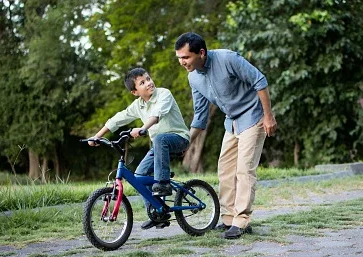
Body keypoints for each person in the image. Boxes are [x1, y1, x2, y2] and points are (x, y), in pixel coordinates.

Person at [175, 32, 277, 239]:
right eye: (179, 58)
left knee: (244, 169)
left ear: (201, 53)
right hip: (231, 123)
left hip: (253, 116)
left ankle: (241, 221)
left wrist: (269, 117)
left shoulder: (227, 59)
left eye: (185, 57)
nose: (181, 62)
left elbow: (260, 81)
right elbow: (200, 116)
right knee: (225, 170)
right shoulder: (193, 77)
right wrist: (186, 142)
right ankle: (229, 219)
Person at [88, 67, 190, 229]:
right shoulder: (138, 105)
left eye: (148, 78)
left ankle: (163, 183)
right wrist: (98, 136)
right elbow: (118, 118)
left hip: (178, 138)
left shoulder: (164, 94)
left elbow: (156, 115)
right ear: (135, 92)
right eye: (143, 82)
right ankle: (157, 212)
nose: (149, 83)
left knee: (160, 139)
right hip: (159, 146)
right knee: (139, 176)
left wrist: (143, 128)